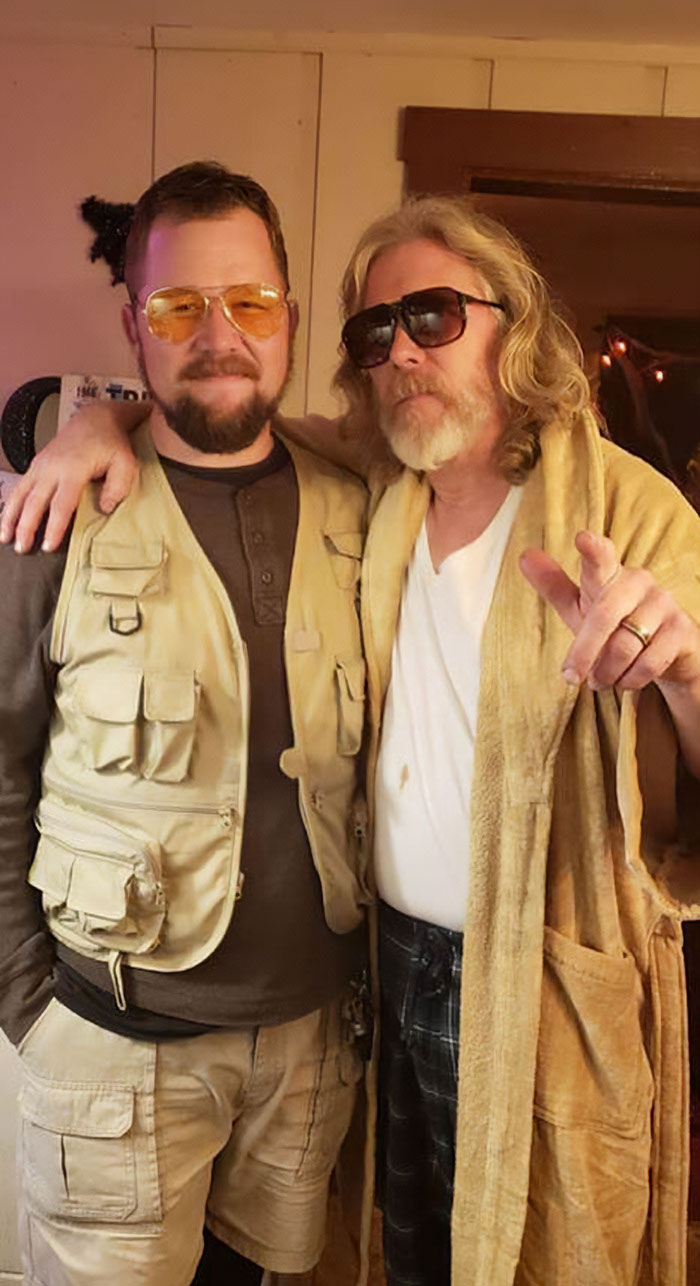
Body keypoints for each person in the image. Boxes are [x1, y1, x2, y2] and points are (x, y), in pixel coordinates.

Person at [4, 195, 700, 1286]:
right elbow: (212, 398)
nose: (402, 354)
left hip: (540, 988)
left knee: (542, 1255)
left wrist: (688, 669)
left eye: (432, 316)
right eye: (374, 333)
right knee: (396, 1252)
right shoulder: (378, 485)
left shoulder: (630, 510)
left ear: (511, 322)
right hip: (378, 974)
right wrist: (90, 423)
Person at [0, 160, 372, 1286]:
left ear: (290, 317)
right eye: (179, 306)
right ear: (134, 323)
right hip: (110, 1046)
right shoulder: (56, 516)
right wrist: (27, 1005)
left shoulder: (364, 504)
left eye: (250, 302)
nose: (220, 334)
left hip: (308, 1053)